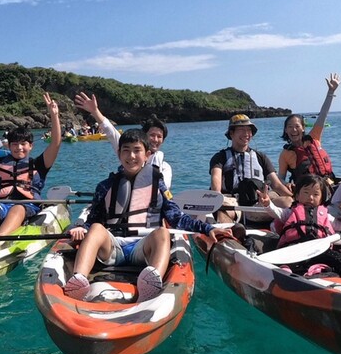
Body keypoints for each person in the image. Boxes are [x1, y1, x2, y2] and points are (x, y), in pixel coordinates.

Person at [63, 129, 232, 302]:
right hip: (113, 248)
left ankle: (152, 282)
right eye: (126, 150)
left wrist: (207, 228)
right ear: (119, 154)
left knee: (162, 232)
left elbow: (177, 218)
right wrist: (81, 228)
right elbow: (93, 220)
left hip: (144, 249)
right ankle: (79, 280)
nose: (131, 156)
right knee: (97, 228)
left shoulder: (158, 186)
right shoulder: (105, 186)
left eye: (137, 150)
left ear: (147, 155)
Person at [258, 174, 341, 295]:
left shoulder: (326, 216)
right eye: (306, 193)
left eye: (316, 194)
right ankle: (285, 274)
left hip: (318, 249)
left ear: (322, 198)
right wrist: (267, 204)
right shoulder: (290, 212)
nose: (310, 198)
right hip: (293, 248)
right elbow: (276, 213)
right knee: (286, 262)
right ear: (297, 195)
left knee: (338, 257)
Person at [0, 93, 62, 238]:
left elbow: (55, 143)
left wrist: (54, 116)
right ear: (9, 145)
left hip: (27, 206)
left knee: (18, 209)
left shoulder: (39, 164)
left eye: (23, 144)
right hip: (1, 205)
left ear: (30, 146)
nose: (19, 147)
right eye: (14, 144)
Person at [74, 91, 173, 189]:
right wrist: (95, 111)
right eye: (152, 135)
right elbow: (111, 132)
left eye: (159, 137)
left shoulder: (164, 168)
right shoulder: (128, 151)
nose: (155, 139)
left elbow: (163, 188)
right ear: (143, 135)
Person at [209, 114, 293, 224]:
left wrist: (296, 198)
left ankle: (292, 232)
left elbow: (276, 185)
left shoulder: (261, 157)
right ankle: (228, 236)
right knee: (223, 210)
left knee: (288, 202)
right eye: (241, 130)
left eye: (249, 130)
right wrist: (216, 200)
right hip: (232, 202)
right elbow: (216, 186)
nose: (246, 134)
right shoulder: (220, 157)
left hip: (258, 203)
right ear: (231, 133)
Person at [278, 73, 339, 184]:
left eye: (297, 126)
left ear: (303, 128)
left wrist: (331, 92)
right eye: (290, 127)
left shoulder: (314, 137)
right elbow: (280, 178)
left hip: (327, 184)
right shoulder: (285, 154)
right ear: (285, 130)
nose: (294, 130)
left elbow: (323, 115)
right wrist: (287, 185)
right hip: (307, 192)